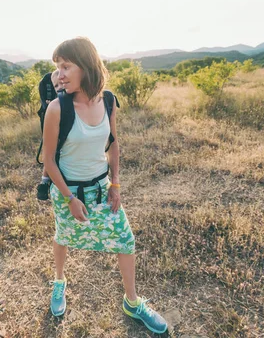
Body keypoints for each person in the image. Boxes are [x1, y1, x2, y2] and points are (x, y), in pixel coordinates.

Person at [42, 37, 168, 334]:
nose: (59, 75)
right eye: (57, 68)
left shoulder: (108, 100)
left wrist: (116, 184)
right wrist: (70, 199)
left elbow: (113, 145)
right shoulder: (56, 109)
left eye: (65, 66)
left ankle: (132, 303)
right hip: (67, 191)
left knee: (125, 240)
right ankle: (59, 282)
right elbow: (48, 161)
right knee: (63, 235)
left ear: (86, 66)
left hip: (100, 189)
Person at [37, 69, 62, 200]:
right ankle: (44, 182)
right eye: (56, 86)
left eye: (61, 84)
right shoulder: (54, 105)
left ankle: (45, 181)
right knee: (51, 151)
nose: (59, 88)